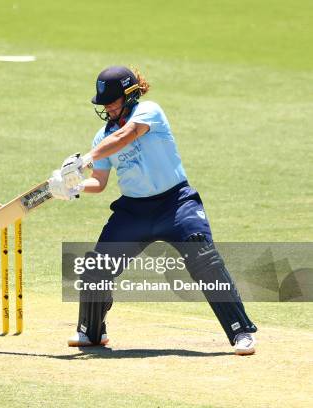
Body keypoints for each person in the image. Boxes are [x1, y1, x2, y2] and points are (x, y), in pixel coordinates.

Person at [49, 66, 258, 355]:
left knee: (204, 257)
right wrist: (75, 187)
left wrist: (84, 160)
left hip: (176, 204)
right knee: (96, 267)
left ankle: (241, 331)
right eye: (104, 102)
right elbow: (99, 182)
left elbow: (127, 136)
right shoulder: (101, 137)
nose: (107, 107)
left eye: (112, 100)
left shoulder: (149, 112)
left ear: (131, 95)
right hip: (133, 212)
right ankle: (91, 332)